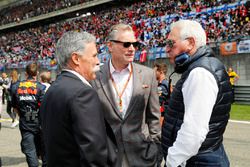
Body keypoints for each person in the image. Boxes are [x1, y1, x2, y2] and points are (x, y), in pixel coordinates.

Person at [162, 20, 233, 167]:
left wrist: (172, 161)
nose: (166, 49)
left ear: (190, 43)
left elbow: (193, 133)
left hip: (198, 161)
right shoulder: (202, 67)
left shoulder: (200, 73)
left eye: (171, 43)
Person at [40, 31, 117, 167]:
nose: (98, 61)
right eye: (94, 55)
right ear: (76, 59)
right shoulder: (83, 93)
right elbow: (93, 152)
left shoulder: (52, 90)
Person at [91, 23, 161, 167]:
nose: (132, 49)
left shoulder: (148, 75)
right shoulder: (94, 77)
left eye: (135, 44)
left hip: (143, 156)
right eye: (126, 44)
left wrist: (156, 148)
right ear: (110, 46)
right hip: (109, 157)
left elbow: (153, 117)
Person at [11, 63, 47, 167]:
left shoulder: (15, 87)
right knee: (44, 151)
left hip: (26, 123)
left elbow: (14, 107)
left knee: (30, 152)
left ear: (26, 74)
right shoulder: (42, 88)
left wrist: (23, 114)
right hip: (40, 123)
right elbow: (44, 108)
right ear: (37, 73)